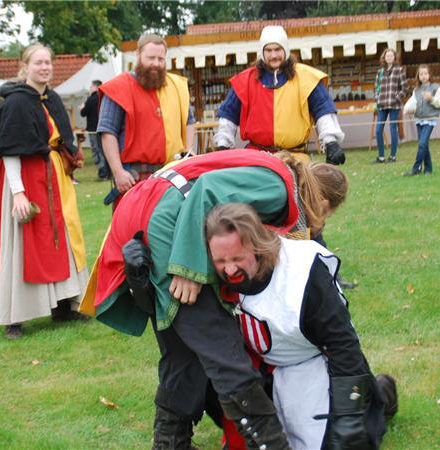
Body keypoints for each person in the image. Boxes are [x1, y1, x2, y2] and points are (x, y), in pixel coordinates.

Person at [80, 149, 348, 449]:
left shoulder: (272, 171)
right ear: (322, 203)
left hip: (147, 211)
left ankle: (171, 443)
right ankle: (271, 444)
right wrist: (189, 264)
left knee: (182, 345)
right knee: (221, 349)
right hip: (167, 224)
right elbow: (206, 190)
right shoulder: (279, 186)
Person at [206, 203, 397, 450]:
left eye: (237, 258)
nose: (229, 269)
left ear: (257, 246)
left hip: (314, 362)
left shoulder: (301, 273)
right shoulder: (207, 275)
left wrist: (348, 416)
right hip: (263, 369)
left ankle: (380, 394)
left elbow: (343, 344)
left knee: (339, 442)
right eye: (220, 260)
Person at [0, 43, 89, 339]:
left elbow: (60, 138)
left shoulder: (50, 98)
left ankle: (65, 304)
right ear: (25, 66)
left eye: (48, 62)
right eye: (39, 63)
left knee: (63, 237)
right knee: (25, 245)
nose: (45, 67)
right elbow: (10, 151)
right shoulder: (16, 103)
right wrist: (18, 193)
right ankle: (15, 317)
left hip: (54, 179)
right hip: (26, 179)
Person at [213, 25, 346, 166]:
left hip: (295, 159)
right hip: (257, 159)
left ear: (285, 50)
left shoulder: (306, 78)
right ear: (262, 52)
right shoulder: (245, 82)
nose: (274, 55)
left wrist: (331, 142)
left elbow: (323, 110)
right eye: (268, 50)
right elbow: (228, 117)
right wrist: (223, 145)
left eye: (278, 49)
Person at [97, 33, 196, 207]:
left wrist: (188, 151)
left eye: (161, 59)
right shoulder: (119, 87)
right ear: (138, 54)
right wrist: (118, 171)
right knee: (133, 231)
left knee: (171, 228)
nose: (156, 64)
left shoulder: (176, 86)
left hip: (172, 173)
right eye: (151, 58)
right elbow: (107, 132)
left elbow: (189, 120)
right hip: (133, 176)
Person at [402, 65, 440, 176]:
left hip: (430, 120)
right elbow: (413, 103)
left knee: (422, 144)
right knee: (424, 145)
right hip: (419, 120)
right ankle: (428, 169)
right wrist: (407, 110)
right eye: (421, 74)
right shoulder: (416, 90)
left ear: (429, 75)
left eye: (425, 73)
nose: (423, 76)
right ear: (418, 76)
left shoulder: (436, 87)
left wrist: (431, 99)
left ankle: (416, 169)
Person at [373, 48, 407, 164]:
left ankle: (392, 156)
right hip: (382, 105)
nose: (389, 58)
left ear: (394, 57)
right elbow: (376, 89)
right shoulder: (380, 72)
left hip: (394, 105)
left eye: (391, 56)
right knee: (378, 131)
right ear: (384, 57)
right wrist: (377, 99)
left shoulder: (399, 70)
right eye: (387, 56)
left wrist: (395, 98)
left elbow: (404, 89)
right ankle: (381, 157)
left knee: (393, 130)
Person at [79, 80, 108, 180]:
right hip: (104, 128)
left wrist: (82, 108)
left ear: (96, 87)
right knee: (104, 150)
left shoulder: (91, 99)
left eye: (91, 86)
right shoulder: (105, 97)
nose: (90, 88)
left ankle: (102, 172)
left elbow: (83, 113)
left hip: (93, 129)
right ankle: (107, 172)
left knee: (96, 150)